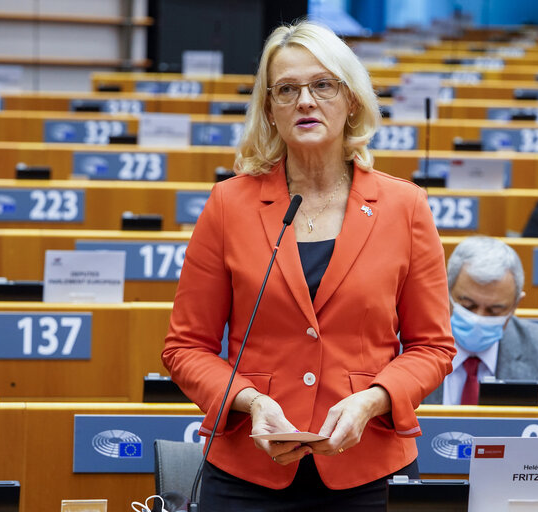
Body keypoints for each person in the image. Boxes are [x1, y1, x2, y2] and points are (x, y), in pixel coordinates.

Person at [163, 20, 455, 511]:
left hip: (370, 468)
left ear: (352, 101)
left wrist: (373, 400)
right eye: (287, 89)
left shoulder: (405, 206)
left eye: (323, 84)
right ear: (270, 112)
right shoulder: (228, 205)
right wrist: (251, 402)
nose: (305, 101)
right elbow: (185, 347)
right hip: (248, 472)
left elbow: (433, 347)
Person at [423, 237, 538, 406]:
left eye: (495, 311)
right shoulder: (402, 344)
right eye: (468, 306)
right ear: (445, 292)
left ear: (515, 305)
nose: (479, 318)